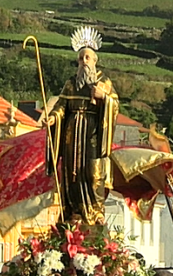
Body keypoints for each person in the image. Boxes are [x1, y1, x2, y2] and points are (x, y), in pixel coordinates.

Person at [46, 26, 119, 225]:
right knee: (72, 173)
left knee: (93, 172)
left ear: (95, 61)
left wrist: (103, 97)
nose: (83, 62)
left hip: (92, 134)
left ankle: (95, 211)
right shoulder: (71, 83)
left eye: (87, 58)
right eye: (81, 58)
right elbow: (61, 105)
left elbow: (115, 105)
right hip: (71, 135)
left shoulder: (105, 82)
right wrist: (53, 118)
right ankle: (75, 210)